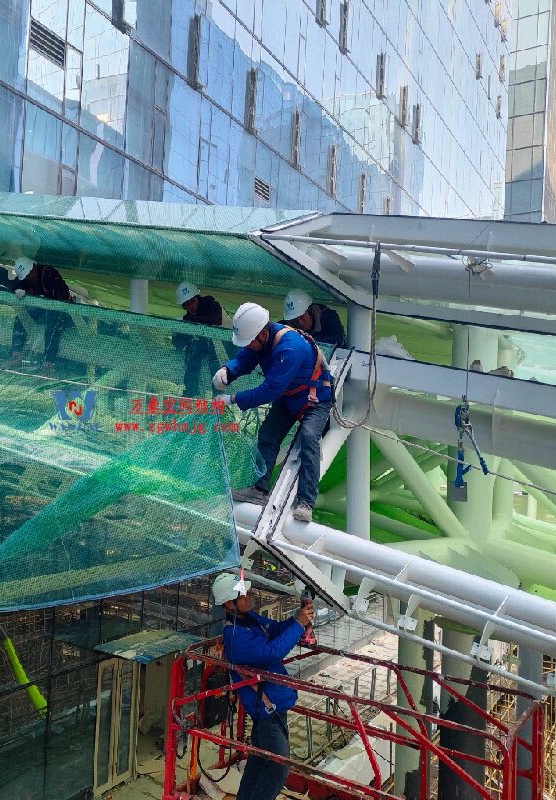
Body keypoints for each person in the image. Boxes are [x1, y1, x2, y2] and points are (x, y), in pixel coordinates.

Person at [213, 302, 334, 522]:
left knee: (309, 437)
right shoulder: (263, 340)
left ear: (262, 334)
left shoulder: (289, 348)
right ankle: (259, 489)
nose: (248, 346)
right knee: (268, 434)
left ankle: (306, 502)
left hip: (316, 399)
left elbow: (270, 390)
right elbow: (246, 358)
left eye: (250, 342)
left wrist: (232, 399)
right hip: (290, 397)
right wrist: (227, 370)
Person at [212, 572, 314, 800]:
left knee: (259, 761)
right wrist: (299, 625)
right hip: (267, 708)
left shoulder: (250, 620)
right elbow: (272, 652)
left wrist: (298, 619)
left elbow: (275, 630)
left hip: (271, 703)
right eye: (243, 594)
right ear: (229, 604)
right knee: (278, 768)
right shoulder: (236, 635)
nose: (249, 596)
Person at [9, 256, 72, 371]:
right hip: (42, 309)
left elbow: (62, 291)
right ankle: (16, 356)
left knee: (52, 327)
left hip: (62, 311)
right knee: (21, 318)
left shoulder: (49, 273)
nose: (28, 278)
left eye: (28, 275)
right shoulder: (27, 279)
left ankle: (48, 364)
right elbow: (16, 284)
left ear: (33, 268)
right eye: (25, 277)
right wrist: (18, 288)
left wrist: (46, 299)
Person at [173, 281, 230, 396]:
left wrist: (187, 325)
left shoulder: (213, 306)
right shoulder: (189, 318)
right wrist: (178, 330)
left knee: (204, 340)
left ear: (197, 298)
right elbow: (178, 343)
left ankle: (217, 392)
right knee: (194, 343)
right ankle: (191, 390)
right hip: (206, 346)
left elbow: (211, 323)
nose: (191, 306)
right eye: (187, 304)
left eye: (192, 302)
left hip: (227, 345)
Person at [280, 290, 345, 349]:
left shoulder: (328, 317)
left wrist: (304, 339)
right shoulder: (288, 323)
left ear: (310, 310)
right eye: (294, 320)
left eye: (302, 317)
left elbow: (337, 341)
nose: (300, 323)